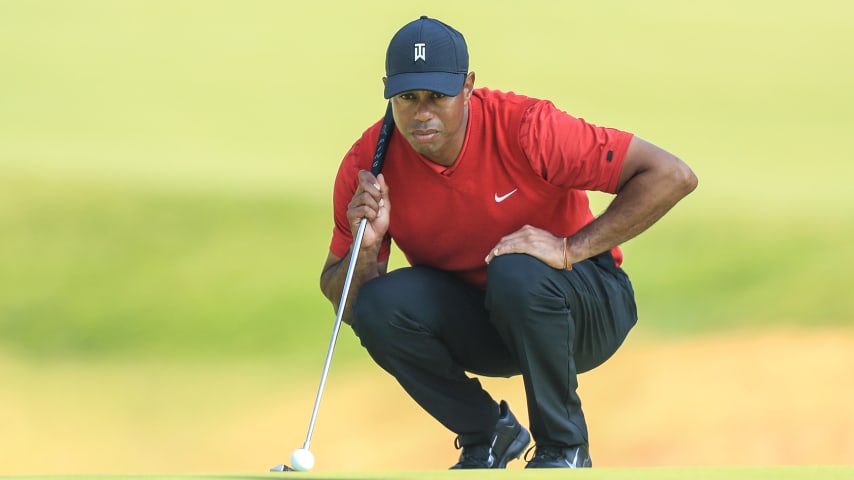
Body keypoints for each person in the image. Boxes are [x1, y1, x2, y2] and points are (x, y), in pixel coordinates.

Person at [320, 16, 697, 469]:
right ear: (387, 90)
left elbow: (671, 175)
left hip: (585, 307)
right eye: (407, 97)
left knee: (516, 269)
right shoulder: (369, 164)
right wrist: (365, 248)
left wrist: (568, 249)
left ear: (468, 87)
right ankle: (489, 434)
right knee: (378, 305)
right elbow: (347, 302)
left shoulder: (527, 128)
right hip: (487, 322)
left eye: (437, 96)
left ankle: (563, 448)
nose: (422, 112)